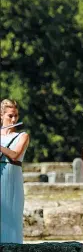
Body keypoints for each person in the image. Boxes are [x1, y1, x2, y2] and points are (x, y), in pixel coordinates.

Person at [0, 99, 30, 243]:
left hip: (12, 178)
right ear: (1, 115)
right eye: (10, 116)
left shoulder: (22, 136)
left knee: (12, 218)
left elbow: (14, 154)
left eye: (16, 116)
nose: (14, 119)